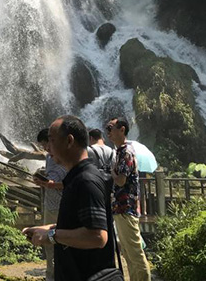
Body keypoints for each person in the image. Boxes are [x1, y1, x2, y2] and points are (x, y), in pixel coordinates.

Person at [23, 115, 118, 281]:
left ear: (69, 141)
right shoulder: (76, 178)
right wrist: (49, 229)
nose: (48, 147)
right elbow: (80, 225)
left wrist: (51, 235)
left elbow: (97, 236)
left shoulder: (86, 181)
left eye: (51, 140)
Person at [107, 117, 151, 281]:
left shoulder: (126, 152)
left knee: (135, 253)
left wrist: (112, 172)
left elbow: (121, 180)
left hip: (126, 208)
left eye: (110, 128)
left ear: (122, 129)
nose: (108, 132)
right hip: (121, 208)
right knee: (127, 252)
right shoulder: (120, 152)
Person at [31, 128, 67, 281]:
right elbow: (51, 176)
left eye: (46, 144)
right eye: (42, 145)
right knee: (48, 243)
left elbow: (71, 183)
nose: (45, 148)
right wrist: (42, 180)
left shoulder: (66, 157)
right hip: (49, 206)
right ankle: (51, 275)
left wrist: (52, 184)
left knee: (63, 242)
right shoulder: (48, 158)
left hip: (63, 206)